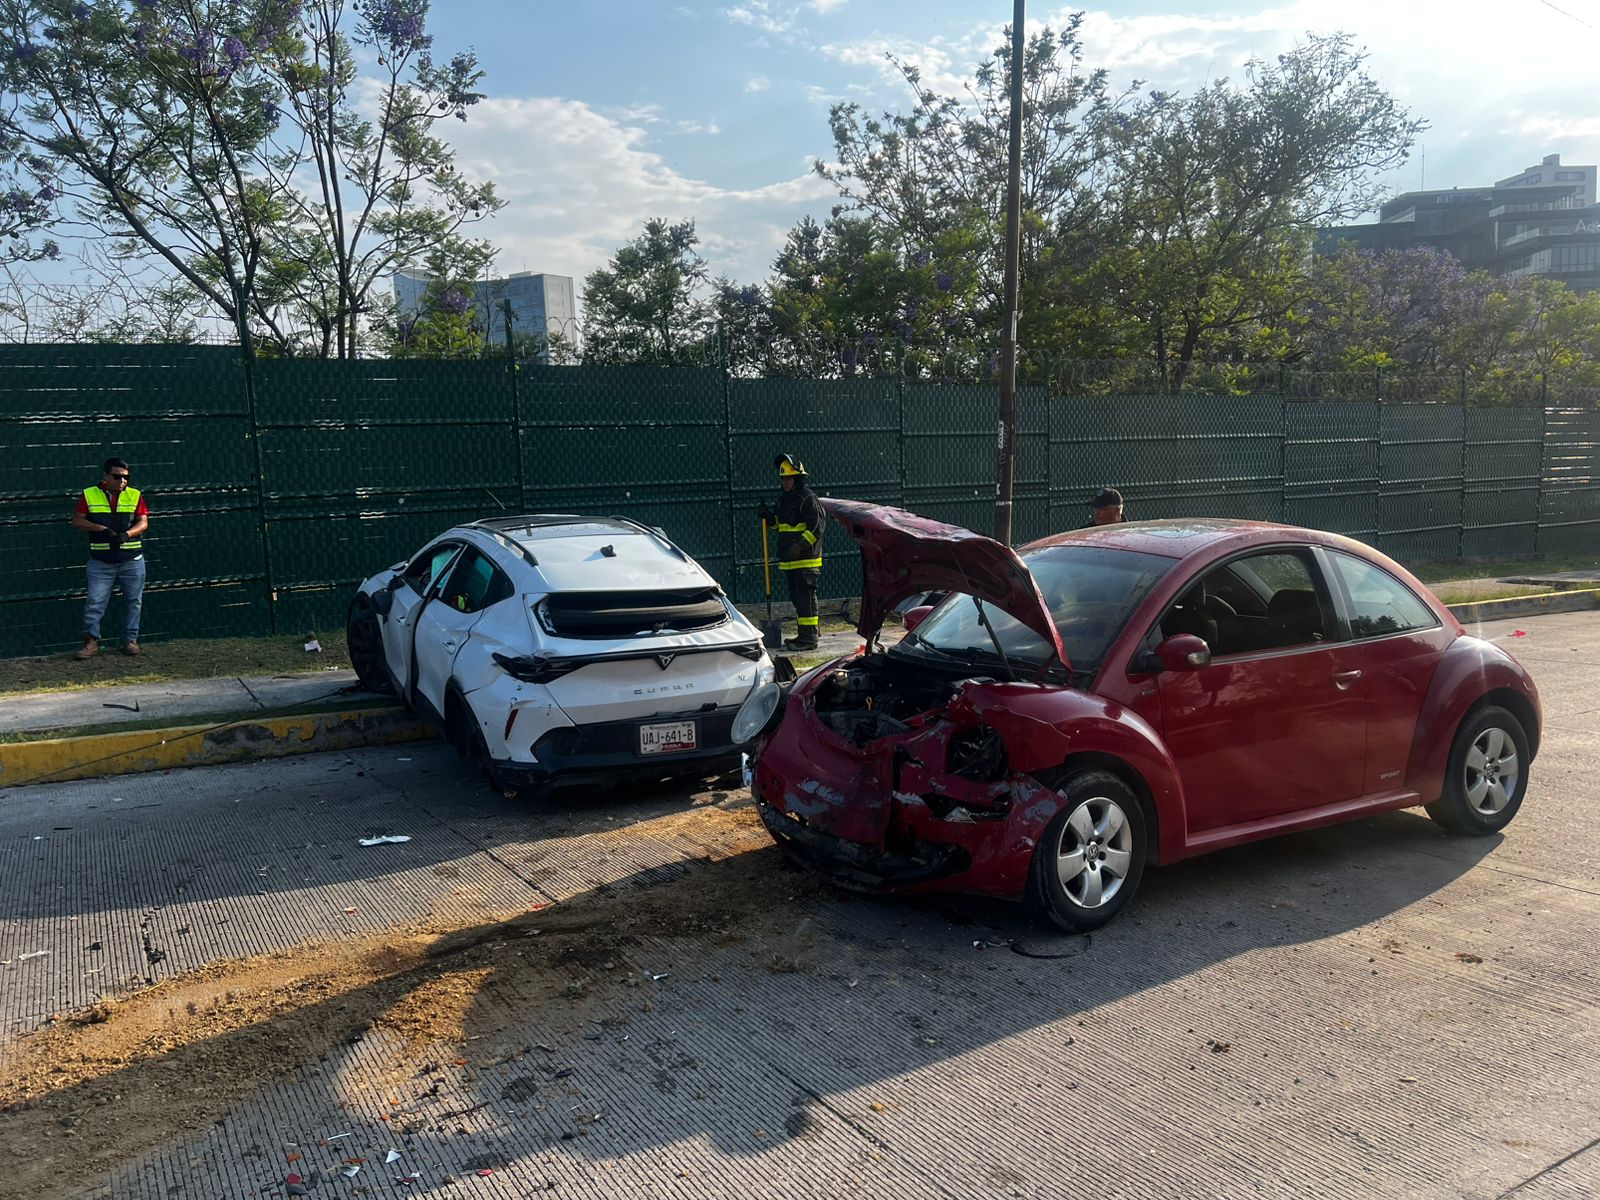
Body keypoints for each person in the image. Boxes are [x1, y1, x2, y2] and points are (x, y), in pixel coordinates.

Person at [70, 457, 149, 659]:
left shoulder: (135, 495)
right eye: (117, 476)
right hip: (101, 560)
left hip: (132, 558)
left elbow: (143, 521)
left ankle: (130, 640)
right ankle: (91, 642)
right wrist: (101, 529)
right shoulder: (89, 494)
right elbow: (78, 521)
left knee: (134, 601)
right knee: (95, 601)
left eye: (126, 477)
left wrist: (127, 535)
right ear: (106, 476)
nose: (122, 481)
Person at [761, 453, 825, 650]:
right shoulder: (784, 500)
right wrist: (769, 519)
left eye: (788, 478)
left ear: (797, 478)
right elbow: (780, 527)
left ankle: (809, 639)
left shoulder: (808, 498)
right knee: (798, 600)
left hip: (806, 561)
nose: (784, 482)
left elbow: (817, 527)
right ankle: (804, 635)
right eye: (782, 479)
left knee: (805, 599)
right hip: (789, 561)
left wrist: (799, 546)